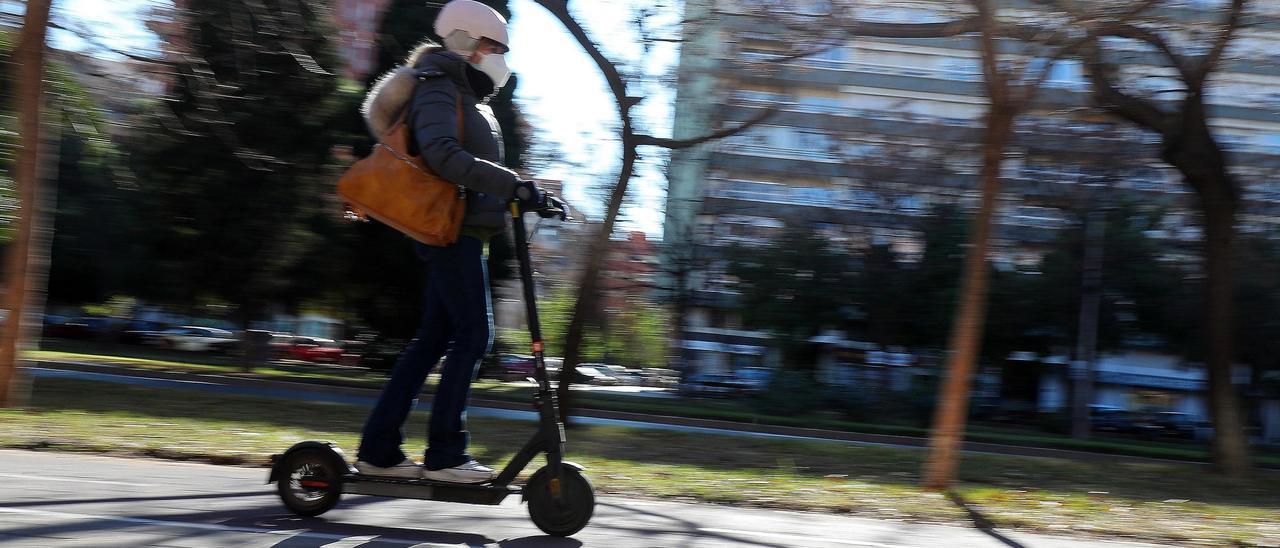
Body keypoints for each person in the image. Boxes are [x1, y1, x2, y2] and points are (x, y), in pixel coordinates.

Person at [354, 0, 559, 483]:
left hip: (466, 233)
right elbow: (444, 155)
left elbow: (474, 164)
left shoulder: (465, 94)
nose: (500, 58)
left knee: (433, 341)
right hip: (451, 231)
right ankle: (446, 454)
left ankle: (379, 450)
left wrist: (529, 193)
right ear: (466, 43)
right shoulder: (438, 87)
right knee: (474, 336)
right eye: (493, 47)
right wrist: (513, 185)